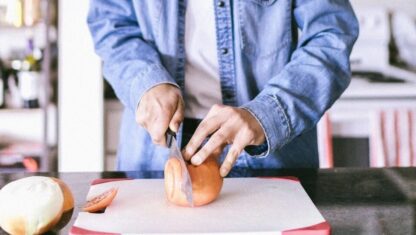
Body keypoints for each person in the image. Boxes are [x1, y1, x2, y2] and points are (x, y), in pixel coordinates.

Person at [87, 0, 359, 176]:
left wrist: (265, 115)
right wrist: (146, 82)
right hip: (154, 157)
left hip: (270, 155)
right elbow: (111, 24)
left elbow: (330, 37)